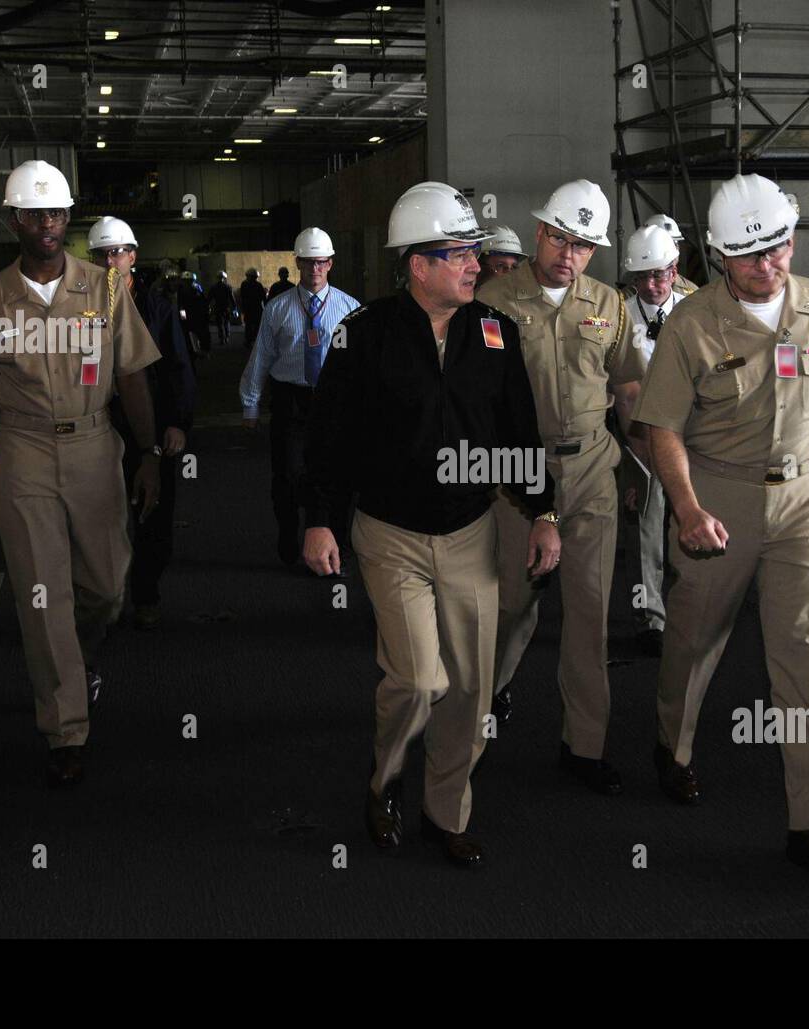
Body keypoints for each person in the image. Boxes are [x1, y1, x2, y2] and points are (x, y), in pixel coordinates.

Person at [302, 181, 560, 867]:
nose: (475, 264)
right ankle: (384, 779)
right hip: (391, 535)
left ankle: (447, 809)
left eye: (476, 252)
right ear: (417, 265)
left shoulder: (495, 334)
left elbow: (519, 433)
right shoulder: (363, 337)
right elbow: (327, 437)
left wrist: (543, 513)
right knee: (418, 679)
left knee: (472, 687)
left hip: (472, 531)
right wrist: (319, 520)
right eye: (460, 254)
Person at [633, 173, 809, 885]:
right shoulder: (691, 324)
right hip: (718, 496)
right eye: (754, 255)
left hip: (800, 502)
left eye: (782, 247)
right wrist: (689, 508)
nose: (773, 265)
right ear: (721, 256)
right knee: (694, 640)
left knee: (801, 661)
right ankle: (672, 746)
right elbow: (660, 427)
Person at [0, 160, 162, 788]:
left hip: (96, 447)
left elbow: (132, 377)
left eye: (58, 213)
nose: (48, 224)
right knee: (43, 595)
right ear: (14, 220)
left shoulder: (106, 290)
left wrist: (148, 454)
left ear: (69, 219)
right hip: (22, 453)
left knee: (107, 586)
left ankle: (79, 657)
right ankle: (66, 727)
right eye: (36, 214)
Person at [476, 179, 647, 794]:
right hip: (518, 479)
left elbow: (628, 390)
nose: (567, 254)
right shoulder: (492, 301)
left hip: (592, 474)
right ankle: (485, 699)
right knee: (514, 604)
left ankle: (585, 746)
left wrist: (648, 469)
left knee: (590, 616)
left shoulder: (608, 304)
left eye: (582, 245)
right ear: (540, 233)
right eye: (559, 238)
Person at [88, 216, 196, 630]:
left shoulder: (159, 310)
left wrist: (178, 424)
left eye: (117, 252)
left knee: (152, 516)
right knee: (102, 518)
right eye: (101, 254)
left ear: (132, 256)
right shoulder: (79, 310)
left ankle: (146, 595)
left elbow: (178, 371)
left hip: (152, 429)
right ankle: (104, 598)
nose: (109, 261)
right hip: (100, 430)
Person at [239, 227, 360, 566]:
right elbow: (261, 356)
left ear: (330, 263)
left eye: (321, 263)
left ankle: (336, 545)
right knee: (290, 475)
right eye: (308, 263)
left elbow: (359, 364)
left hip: (333, 401)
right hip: (290, 400)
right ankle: (291, 538)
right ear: (297, 264)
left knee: (337, 474)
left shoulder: (350, 309)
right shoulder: (277, 309)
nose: (315, 270)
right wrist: (250, 404)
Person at [619, 224, 694, 657]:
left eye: (658, 275)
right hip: (641, 436)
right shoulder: (621, 315)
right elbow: (619, 390)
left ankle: (690, 605)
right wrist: (633, 450)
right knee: (646, 524)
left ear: (674, 269)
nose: (650, 285)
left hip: (690, 435)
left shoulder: (695, 311)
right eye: (641, 277)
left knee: (688, 518)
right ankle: (650, 615)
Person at [643, 213, 699, 291]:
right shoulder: (632, 292)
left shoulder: (692, 292)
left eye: (675, 244)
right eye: (664, 245)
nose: (673, 251)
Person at [240, 268, 266, 348]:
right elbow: (263, 297)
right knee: (256, 325)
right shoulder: (258, 285)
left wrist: (242, 308)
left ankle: (249, 340)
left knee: (249, 325)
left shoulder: (244, 284)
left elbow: (242, 297)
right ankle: (254, 340)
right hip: (256, 308)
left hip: (249, 308)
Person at [209, 271, 235, 347]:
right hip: (226, 307)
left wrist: (207, 305)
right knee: (226, 322)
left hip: (218, 307)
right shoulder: (228, 286)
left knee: (220, 324)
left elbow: (209, 298)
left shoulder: (214, 287)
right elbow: (232, 298)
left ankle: (222, 338)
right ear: (225, 278)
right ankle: (227, 337)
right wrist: (234, 306)